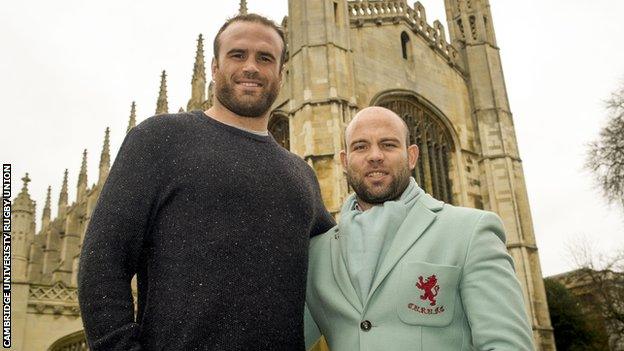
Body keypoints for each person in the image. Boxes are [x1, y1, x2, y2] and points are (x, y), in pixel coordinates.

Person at [78, 13, 334, 351]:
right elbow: (102, 262)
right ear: (213, 68)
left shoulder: (302, 175)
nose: (251, 67)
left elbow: (340, 268)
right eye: (237, 54)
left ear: (282, 74)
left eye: (265, 58)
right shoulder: (159, 138)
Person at [304, 106, 535, 350]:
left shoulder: (471, 231)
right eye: (360, 146)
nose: (375, 155)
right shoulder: (318, 252)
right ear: (344, 160)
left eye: (388, 145)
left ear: (412, 156)